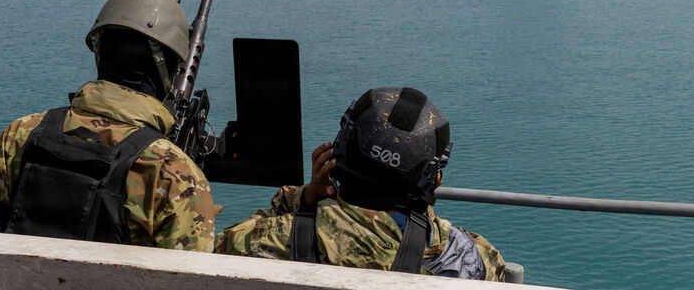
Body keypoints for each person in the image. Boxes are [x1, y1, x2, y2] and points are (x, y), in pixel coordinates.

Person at [0, 0, 217, 251]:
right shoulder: (175, 172)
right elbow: (193, 275)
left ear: (99, 51)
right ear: (168, 69)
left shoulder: (22, 133)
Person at [214, 87, 505, 281]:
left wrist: (305, 199)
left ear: (337, 154)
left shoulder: (274, 240)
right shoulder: (471, 257)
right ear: (433, 178)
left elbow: (216, 250)